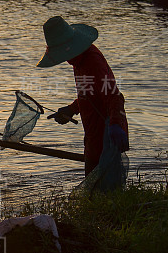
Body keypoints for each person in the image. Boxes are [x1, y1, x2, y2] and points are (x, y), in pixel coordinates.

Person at [37, 16, 129, 175]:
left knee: (104, 190)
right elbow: (90, 94)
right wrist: (71, 109)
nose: (65, 60)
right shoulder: (77, 60)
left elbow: (115, 96)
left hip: (107, 133)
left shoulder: (93, 61)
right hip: (92, 136)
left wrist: (115, 124)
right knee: (94, 187)